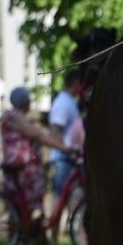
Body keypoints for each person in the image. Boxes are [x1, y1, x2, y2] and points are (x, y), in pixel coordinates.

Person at [0, 86, 73, 243]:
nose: (30, 103)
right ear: (24, 101)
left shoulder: (12, 116)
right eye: (29, 100)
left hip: (19, 165)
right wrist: (64, 148)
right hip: (23, 166)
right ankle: (31, 236)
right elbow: (36, 135)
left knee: (20, 203)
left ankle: (25, 236)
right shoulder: (15, 116)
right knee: (31, 201)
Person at [47, 69, 84, 198]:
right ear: (76, 83)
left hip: (67, 157)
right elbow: (56, 131)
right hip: (63, 158)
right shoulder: (64, 103)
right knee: (60, 196)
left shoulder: (68, 101)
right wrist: (67, 150)